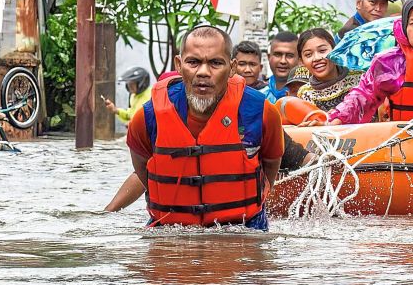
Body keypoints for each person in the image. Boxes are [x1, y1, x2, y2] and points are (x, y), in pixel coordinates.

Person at [123, 25, 309, 229]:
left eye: (215, 63)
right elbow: (142, 168)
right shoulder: (148, 116)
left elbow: (271, 163)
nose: (203, 72)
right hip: (170, 230)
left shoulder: (261, 111)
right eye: (193, 62)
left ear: (232, 68)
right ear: (179, 64)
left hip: (244, 228)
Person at [287, 28, 364, 113]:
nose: (316, 58)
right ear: (301, 62)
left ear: (335, 51)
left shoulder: (361, 78)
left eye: (322, 50)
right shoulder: (305, 93)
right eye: (308, 54)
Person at [264, 31, 298, 103]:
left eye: (289, 56)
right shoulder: (260, 96)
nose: (283, 61)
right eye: (277, 54)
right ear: (269, 57)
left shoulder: (307, 95)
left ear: (300, 60)